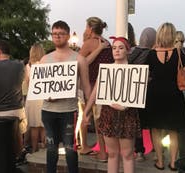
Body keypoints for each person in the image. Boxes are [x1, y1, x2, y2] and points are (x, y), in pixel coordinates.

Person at [40, 20, 91, 173]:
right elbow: (39, 86)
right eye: (54, 34)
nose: (57, 37)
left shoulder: (79, 59)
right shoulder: (45, 59)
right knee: (51, 149)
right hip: (48, 110)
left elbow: (86, 86)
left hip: (69, 111)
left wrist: (89, 112)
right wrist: (46, 95)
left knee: (70, 149)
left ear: (68, 36)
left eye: (61, 34)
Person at [83, 36, 138, 173]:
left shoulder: (135, 71)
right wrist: (87, 111)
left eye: (121, 48)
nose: (117, 51)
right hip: (108, 113)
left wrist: (126, 106)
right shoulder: (106, 70)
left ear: (127, 50)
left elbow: (137, 95)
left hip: (127, 115)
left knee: (127, 154)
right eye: (114, 48)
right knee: (112, 154)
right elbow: (95, 92)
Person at [140, 22, 185, 171]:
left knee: (155, 129)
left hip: (155, 95)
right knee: (174, 130)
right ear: (173, 35)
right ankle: (174, 162)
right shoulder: (180, 54)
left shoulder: (151, 54)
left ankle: (160, 162)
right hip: (174, 95)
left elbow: (144, 75)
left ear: (159, 34)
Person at [78, 16, 114, 162]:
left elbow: (80, 63)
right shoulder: (107, 43)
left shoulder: (89, 43)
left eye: (86, 26)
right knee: (101, 118)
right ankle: (103, 151)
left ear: (91, 29)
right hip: (105, 84)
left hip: (90, 84)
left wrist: (96, 50)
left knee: (86, 116)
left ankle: (86, 146)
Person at [0, 40, 27, 158]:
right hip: (16, 109)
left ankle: (3, 160)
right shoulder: (19, 65)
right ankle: (19, 157)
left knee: (1, 141)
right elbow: (23, 82)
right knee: (18, 136)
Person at [128, 26, 156, 161]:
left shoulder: (131, 51)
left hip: (132, 92)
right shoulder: (153, 54)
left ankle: (138, 151)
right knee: (150, 122)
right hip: (148, 92)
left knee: (136, 122)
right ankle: (156, 148)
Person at [24, 43, 46, 153]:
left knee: (34, 126)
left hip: (32, 98)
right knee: (44, 126)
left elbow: (27, 84)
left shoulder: (28, 66)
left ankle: (34, 149)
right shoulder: (46, 65)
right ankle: (45, 150)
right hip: (44, 98)